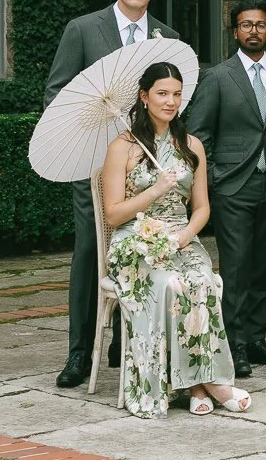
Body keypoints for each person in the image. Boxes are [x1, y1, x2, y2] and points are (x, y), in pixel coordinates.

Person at [42, 0, 182, 389]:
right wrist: (90, 139)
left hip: (148, 168)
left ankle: (130, 343)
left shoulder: (166, 37)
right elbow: (56, 93)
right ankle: (80, 352)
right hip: (98, 166)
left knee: (145, 248)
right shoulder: (84, 30)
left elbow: (174, 101)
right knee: (91, 253)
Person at [100, 62, 249, 418]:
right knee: (171, 283)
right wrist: (156, 190)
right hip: (134, 241)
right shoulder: (122, 146)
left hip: (180, 237)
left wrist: (184, 236)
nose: (170, 101)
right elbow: (113, 215)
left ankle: (198, 382)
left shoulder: (191, 144)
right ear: (144, 96)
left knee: (204, 280)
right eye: (162, 93)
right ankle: (208, 383)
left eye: (177, 94)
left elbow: (201, 209)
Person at [189, 1, 266, 378]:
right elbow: (198, 135)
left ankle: (256, 339)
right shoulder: (217, 77)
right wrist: (215, 179)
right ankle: (233, 344)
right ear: (234, 32)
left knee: (263, 266)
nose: (254, 31)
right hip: (233, 187)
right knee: (235, 269)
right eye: (246, 25)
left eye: (261, 25)